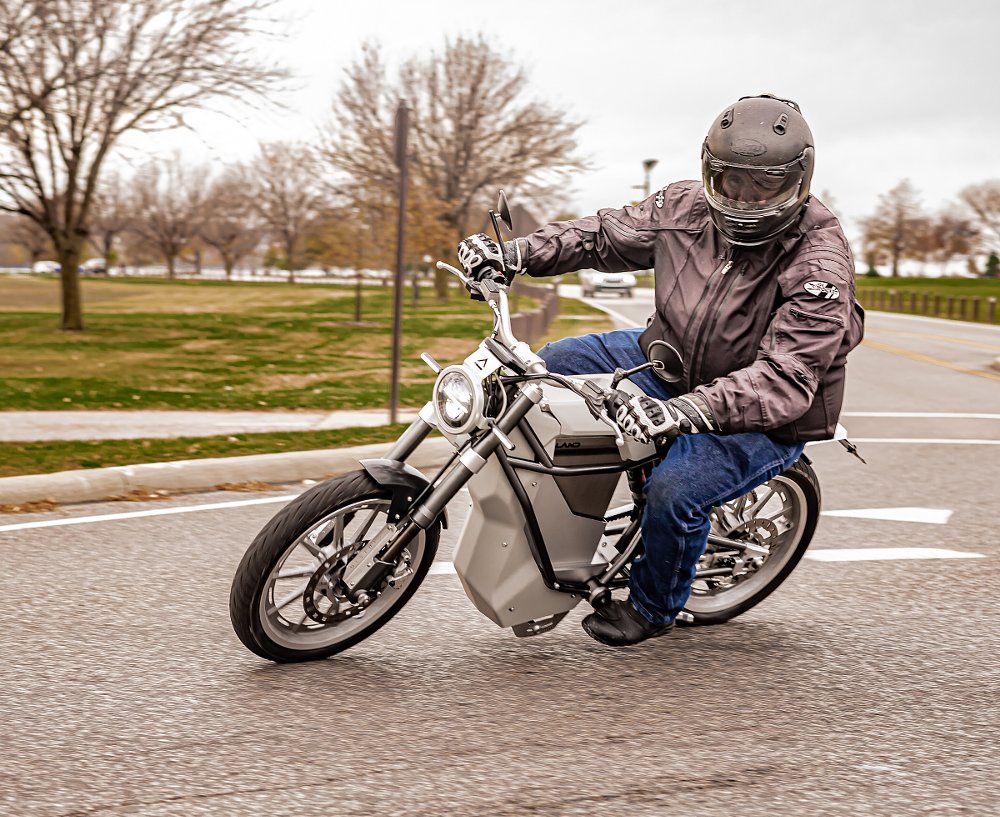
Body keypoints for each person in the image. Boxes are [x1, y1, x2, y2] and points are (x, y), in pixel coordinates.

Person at [457, 94, 864, 647]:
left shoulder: (819, 259)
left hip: (765, 412)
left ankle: (654, 605)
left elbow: (785, 376)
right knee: (550, 365)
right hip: (669, 358)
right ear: (709, 170)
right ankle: (571, 499)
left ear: (799, 179)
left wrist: (685, 412)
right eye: (732, 182)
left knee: (675, 492)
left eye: (764, 186)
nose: (745, 202)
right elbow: (602, 235)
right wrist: (517, 254)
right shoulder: (683, 207)